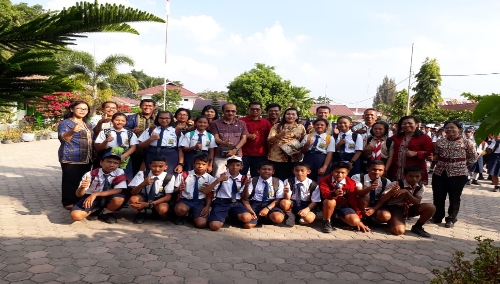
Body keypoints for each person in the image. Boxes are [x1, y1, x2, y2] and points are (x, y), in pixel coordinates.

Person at [432, 121, 477, 228]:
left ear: (459, 129)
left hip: (458, 174)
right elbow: (436, 155)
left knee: (454, 197)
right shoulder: (440, 142)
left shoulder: (467, 143)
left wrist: (461, 165)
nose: (449, 130)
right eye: (446, 128)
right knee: (438, 196)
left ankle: (451, 218)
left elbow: (473, 158)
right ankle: (437, 216)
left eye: (452, 127)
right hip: (440, 173)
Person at [377, 166, 435, 237]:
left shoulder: (420, 186)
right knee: (398, 231)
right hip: (395, 208)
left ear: (421, 176)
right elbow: (382, 199)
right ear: (404, 176)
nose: (414, 179)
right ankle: (393, 221)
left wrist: (407, 192)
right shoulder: (396, 184)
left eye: (417, 176)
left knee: (430, 207)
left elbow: (417, 202)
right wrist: (392, 191)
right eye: (410, 176)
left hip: (409, 208)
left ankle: (418, 226)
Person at [69, 152, 127, 224]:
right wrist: (82, 188)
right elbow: (79, 194)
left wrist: (96, 194)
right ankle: (95, 210)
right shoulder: (90, 174)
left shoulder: (119, 172)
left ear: (118, 165)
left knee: (119, 199)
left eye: (115, 163)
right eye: (108, 162)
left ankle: (105, 213)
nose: (112, 165)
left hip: (107, 196)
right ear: (101, 162)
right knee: (76, 216)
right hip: (91, 197)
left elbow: (119, 190)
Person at [58, 101, 93, 210]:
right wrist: (72, 131)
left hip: (87, 157)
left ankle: (78, 201)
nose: (83, 111)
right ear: (72, 109)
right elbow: (63, 138)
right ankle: (68, 202)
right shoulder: (66, 123)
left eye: (85, 109)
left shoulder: (87, 124)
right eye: (80, 108)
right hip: (71, 157)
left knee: (82, 180)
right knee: (70, 181)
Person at [319, 162, 369, 233]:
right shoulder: (324, 180)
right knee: (330, 201)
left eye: (343, 173)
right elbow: (324, 194)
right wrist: (334, 193)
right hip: (327, 204)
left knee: (355, 221)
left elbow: (353, 200)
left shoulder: (351, 183)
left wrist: (360, 219)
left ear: (347, 173)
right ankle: (326, 222)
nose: (339, 175)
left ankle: (338, 217)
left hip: (343, 206)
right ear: (332, 171)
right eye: (337, 172)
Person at [208, 156, 253, 231]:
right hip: (221, 202)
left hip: (236, 203)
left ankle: (233, 217)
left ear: (242, 167)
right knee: (214, 226)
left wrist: (246, 186)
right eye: (232, 165)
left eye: (237, 165)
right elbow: (211, 190)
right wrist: (218, 180)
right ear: (227, 166)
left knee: (247, 218)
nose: (234, 167)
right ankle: (220, 217)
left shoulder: (245, 179)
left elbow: (245, 197)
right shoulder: (220, 176)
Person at [386, 116, 434, 185]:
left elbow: (431, 152)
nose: (407, 125)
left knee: (413, 193)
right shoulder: (396, 137)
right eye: (404, 123)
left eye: (410, 123)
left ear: (417, 124)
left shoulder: (424, 138)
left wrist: (417, 153)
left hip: (414, 173)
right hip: (396, 171)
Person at [173, 153, 217, 228]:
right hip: (185, 200)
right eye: (198, 163)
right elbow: (174, 190)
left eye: (203, 164)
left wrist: (207, 206)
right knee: (181, 209)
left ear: (208, 165)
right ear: (193, 164)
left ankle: (193, 215)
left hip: (199, 202)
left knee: (201, 224)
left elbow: (210, 194)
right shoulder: (184, 175)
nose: (200, 166)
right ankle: (184, 215)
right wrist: (179, 189)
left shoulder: (210, 179)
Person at [128, 156, 176, 224]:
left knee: (163, 209)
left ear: (166, 167)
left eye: (160, 166)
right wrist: (143, 184)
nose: (157, 169)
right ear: (150, 166)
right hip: (144, 197)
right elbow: (133, 192)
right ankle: (141, 212)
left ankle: (156, 212)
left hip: (159, 199)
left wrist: (149, 204)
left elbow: (168, 197)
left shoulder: (169, 177)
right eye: (154, 166)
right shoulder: (142, 174)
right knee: (133, 199)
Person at [94, 112, 138, 180]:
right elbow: (99, 147)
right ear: (112, 121)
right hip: (108, 155)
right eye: (117, 120)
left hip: (124, 156)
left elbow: (134, 147)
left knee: (124, 176)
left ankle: (122, 189)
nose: (120, 122)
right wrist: (106, 141)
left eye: (123, 120)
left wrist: (124, 155)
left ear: (126, 122)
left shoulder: (129, 133)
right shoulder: (105, 132)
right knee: (108, 175)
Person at [242, 161, 285, 228]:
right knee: (248, 225)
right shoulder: (253, 180)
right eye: (264, 169)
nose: (266, 171)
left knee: (278, 218)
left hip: (271, 203)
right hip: (256, 203)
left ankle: (267, 217)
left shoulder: (278, 182)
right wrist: (246, 186)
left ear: (273, 171)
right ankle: (259, 218)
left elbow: (278, 199)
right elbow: (245, 197)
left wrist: (267, 208)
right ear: (258, 171)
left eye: (269, 169)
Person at [267, 108, 307, 180]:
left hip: (294, 157)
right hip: (277, 157)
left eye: (293, 114)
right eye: (288, 114)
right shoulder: (277, 126)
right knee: (277, 179)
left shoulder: (301, 127)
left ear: (297, 116)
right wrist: (280, 135)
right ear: (284, 115)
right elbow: (269, 141)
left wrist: (299, 151)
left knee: (291, 179)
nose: (290, 116)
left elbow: (302, 142)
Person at [210, 103, 248, 176]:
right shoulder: (215, 123)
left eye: (233, 111)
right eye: (227, 111)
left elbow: (244, 139)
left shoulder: (241, 123)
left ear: (236, 112)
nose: (230, 113)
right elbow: (215, 138)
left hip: (236, 155)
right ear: (223, 111)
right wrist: (224, 143)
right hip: (220, 156)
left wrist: (235, 149)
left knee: (235, 178)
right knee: (219, 177)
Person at [280, 162, 321, 227]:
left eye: (302, 171)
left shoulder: (314, 185)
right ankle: (291, 216)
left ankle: (301, 218)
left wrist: (307, 209)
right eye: (297, 170)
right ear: (293, 171)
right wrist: (286, 192)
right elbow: (287, 199)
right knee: (284, 202)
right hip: (293, 203)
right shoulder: (288, 181)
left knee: (309, 219)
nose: (299, 173)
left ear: (308, 172)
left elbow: (315, 201)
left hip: (306, 204)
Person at [239, 102, 272, 177]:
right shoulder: (241, 121)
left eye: (257, 109)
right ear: (248, 110)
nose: (255, 111)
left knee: (257, 176)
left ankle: (254, 189)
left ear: (261, 110)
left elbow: (269, 138)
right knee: (240, 175)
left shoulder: (265, 122)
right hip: (244, 153)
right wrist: (246, 136)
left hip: (260, 154)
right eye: (252, 109)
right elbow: (235, 135)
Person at [125, 99, 156, 175]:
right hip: (136, 149)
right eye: (145, 105)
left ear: (154, 107)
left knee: (151, 170)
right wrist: (132, 131)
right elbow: (123, 129)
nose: (147, 107)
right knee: (134, 170)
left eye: (150, 106)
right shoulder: (132, 117)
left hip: (152, 149)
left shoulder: (157, 119)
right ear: (140, 106)